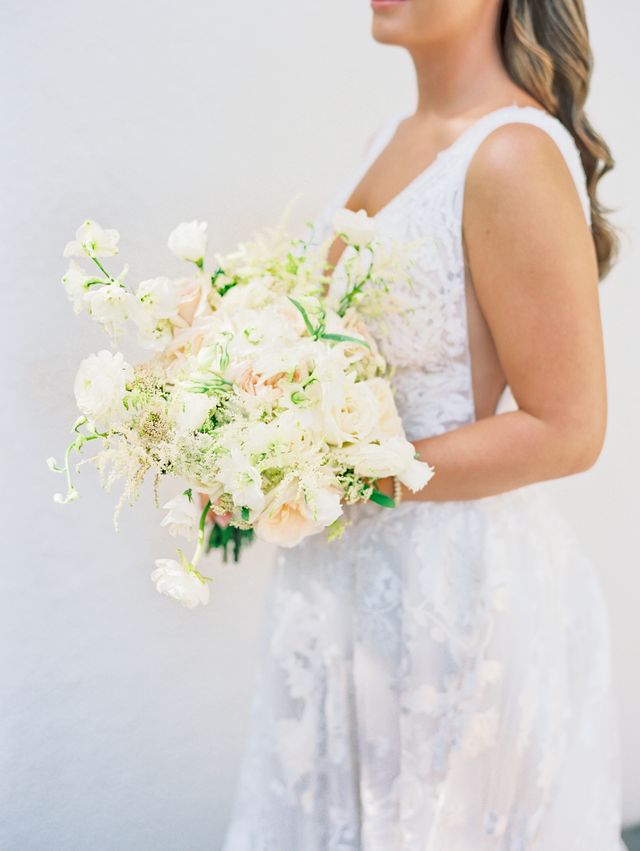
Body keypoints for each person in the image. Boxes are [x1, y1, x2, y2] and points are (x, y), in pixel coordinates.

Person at [221, 0, 624, 848]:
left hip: (448, 601)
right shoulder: (390, 139)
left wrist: (342, 474)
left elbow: (569, 426)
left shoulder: (511, 154)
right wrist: (245, 439)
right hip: (340, 584)